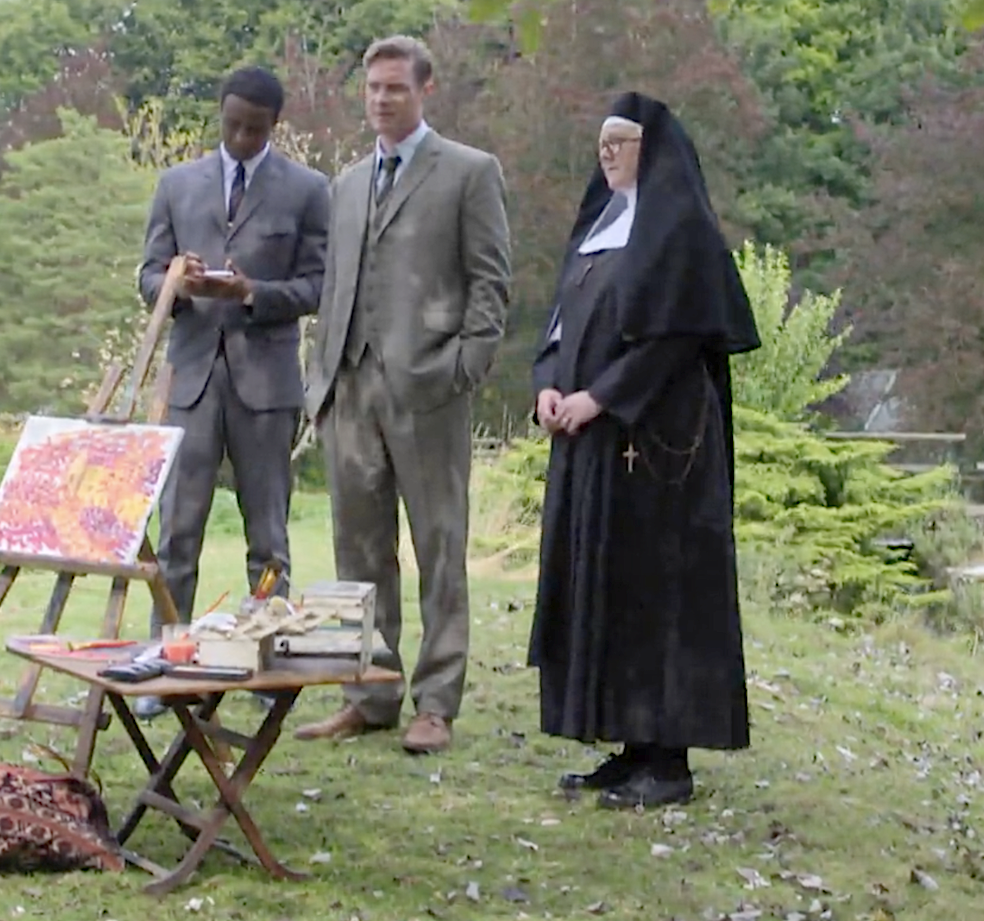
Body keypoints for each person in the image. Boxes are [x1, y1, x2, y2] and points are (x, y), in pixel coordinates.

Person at [528, 92, 761, 809]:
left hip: (660, 452)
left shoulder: (680, 230)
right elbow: (561, 327)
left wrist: (600, 397)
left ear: (652, 149)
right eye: (602, 141)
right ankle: (628, 747)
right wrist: (548, 386)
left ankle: (669, 760)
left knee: (658, 596)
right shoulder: (598, 227)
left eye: (621, 141)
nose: (608, 152)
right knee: (608, 588)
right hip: (594, 446)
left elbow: (676, 339)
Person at [298, 35, 511, 754]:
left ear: (426, 90)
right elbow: (335, 287)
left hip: (428, 390)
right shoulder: (348, 182)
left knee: (439, 548)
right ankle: (370, 692)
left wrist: (463, 368)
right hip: (348, 389)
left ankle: (437, 703)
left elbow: (491, 284)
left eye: (395, 87)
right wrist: (319, 380)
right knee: (358, 553)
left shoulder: (470, 173)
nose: (381, 99)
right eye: (372, 88)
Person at [137, 66, 330, 718]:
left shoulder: (307, 190)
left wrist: (252, 293)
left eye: (255, 128)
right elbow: (146, 276)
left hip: (266, 383)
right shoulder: (177, 184)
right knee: (177, 534)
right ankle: (169, 659)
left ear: (275, 125)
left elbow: (318, 286)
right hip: (191, 379)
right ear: (219, 114)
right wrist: (177, 283)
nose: (242, 137)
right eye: (233, 124)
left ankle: (270, 659)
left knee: (269, 534)